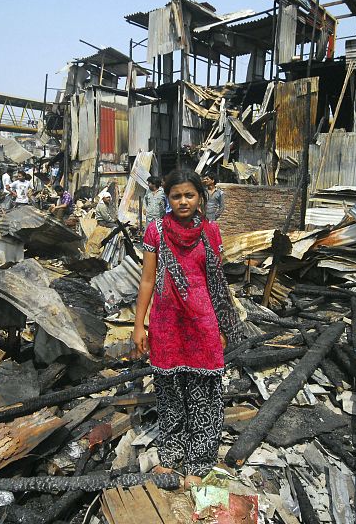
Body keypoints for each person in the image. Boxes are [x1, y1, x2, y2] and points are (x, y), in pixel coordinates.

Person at [132, 169, 242, 484]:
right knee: (169, 390)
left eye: (189, 195)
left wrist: (222, 325)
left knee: (203, 390)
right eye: (176, 196)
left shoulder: (211, 232)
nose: (183, 201)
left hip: (201, 322)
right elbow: (148, 280)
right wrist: (139, 325)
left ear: (200, 198)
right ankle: (172, 451)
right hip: (166, 322)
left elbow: (218, 284)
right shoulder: (155, 231)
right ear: (167, 199)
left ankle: (199, 459)